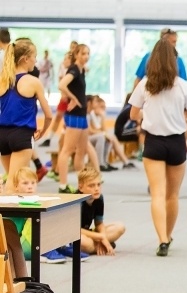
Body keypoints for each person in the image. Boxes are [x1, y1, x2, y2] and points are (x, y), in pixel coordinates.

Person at [129, 39, 187, 257]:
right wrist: (182, 119)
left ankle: (161, 239)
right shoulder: (184, 86)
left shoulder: (145, 85)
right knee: (173, 195)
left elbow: (132, 115)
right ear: (174, 61)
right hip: (176, 142)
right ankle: (168, 236)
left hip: (153, 142)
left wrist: (148, 116)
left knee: (157, 194)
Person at [0, 38, 52, 193]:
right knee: (15, 184)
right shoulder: (33, 81)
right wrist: (43, 130)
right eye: (34, 57)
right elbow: (48, 115)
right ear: (25, 59)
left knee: (11, 180)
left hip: (2, 134)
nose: (36, 61)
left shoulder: (3, 80)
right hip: (21, 134)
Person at [55, 43, 95, 193]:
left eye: (88, 54)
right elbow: (61, 85)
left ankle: (82, 184)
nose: (86, 57)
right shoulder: (73, 70)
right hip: (74, 115)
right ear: (77, 55)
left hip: (82, 114)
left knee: (82, 150)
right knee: (67, 150)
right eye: (83, 54)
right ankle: (63, 185)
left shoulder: (81, 69)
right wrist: (73, 99)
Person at [74, 167, 125, 256]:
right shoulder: (75, 202)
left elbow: (99, 223)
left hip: (88, 232)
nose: (96, 189)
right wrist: (100, 237)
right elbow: (73, 230)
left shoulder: (99, 198)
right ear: (80, 187)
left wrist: (103, 237)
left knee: (120, 227)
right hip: (75, 233)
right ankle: (99, 246)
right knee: (85, 243)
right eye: (91, 185)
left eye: (98, 184)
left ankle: (96, 246)